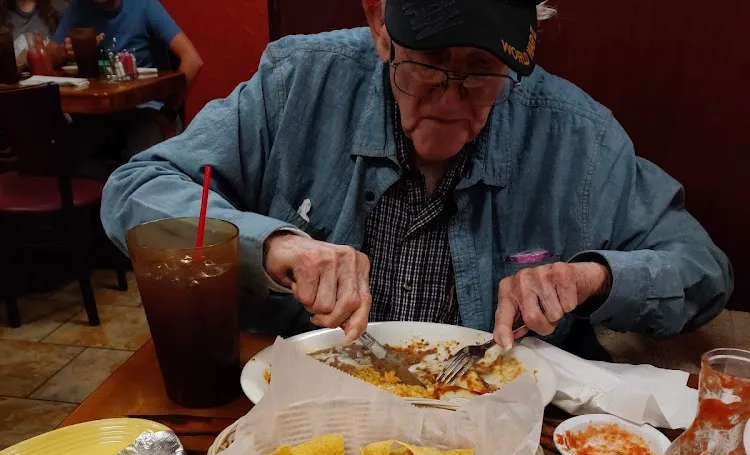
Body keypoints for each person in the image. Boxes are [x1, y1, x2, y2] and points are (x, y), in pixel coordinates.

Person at [100, 0, 732, 352]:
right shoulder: (297, 83)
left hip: (504, 435)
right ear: (380, 24)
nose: (450, 100)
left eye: (481, 71)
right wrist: (274, 244)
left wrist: (595, 278)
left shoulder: (577, 134)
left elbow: (703, 269)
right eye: (427, 63)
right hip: (308, 418)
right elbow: (135, 189)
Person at [49, 0, 203, 154]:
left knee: (139, 164)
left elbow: (193, 61)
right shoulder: (80, 6)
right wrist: (62, 52)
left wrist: (168, 113)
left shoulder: (144, 5)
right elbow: (48, 56)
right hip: (100, 113)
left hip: (149, 111)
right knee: (66, 152)